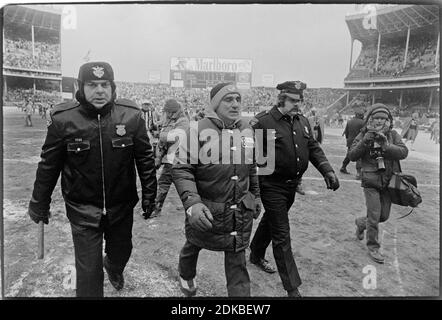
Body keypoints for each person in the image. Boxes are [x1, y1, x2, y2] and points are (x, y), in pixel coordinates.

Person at [27, 61, 158, 297]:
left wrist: (150, 195)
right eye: (92, 84)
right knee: (88, 274)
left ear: (112, 86)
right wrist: (39, 203)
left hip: (121, 206)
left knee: (121, 252)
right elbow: (48, 166)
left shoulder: (131, 116)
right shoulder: (63, 119)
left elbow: (145, 159)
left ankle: (114, 267)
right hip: (82, 209)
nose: (99, 90)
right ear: (80, 87)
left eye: (104, 84)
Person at [248, 81, 340, 297]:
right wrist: (252, 188)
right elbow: (248, 154)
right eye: (293, 100)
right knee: (282, 234)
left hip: (291, 185)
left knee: (271, 221)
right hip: (271, 185)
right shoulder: (263, 122)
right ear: (281, 99)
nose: (297, 104)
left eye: (299, 101)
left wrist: (327, 170)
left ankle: (256, 253)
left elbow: (313, 147)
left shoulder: (302, 121)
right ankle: (292, 288)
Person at [172, 82, 261, 297]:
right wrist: (193, 202)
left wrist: (256, 195)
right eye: (228, 99)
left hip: (239, 211)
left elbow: (251, 166)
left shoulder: (247, 130)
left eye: (238, 99)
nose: (235, 104)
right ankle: (186, 273)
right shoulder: (197, 130)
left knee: (237, 259)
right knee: (193, 244)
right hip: (207, 209)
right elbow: (182, 168)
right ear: (215, 104)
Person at [349, 104, 408, 264]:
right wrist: (366, 139)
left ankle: (361, 223)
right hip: (370, 181)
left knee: (383, 216)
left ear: (388, 120)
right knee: (374, 216)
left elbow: (404, 152)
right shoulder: (364, 134)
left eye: (383, 118)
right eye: (377, 118)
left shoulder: (393, 135)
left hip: (388, 181)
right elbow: (352, 155)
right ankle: (373, 247)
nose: (380, 121)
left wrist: (386, 146)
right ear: (370, 119)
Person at [148, 99, 189, 219]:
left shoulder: (183, 121)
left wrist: (160, 135)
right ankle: (156, 208)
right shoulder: (173, 120)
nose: (165, 114)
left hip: (178, 159)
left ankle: (157, 209)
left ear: (171, 112)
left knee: (168, 185)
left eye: (167, 112)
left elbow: (174, 136)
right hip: (171, 159)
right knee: (167, 184)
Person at [340, 107, 365, 179]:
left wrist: (348, 140)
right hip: (358, 141)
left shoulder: (349, 121)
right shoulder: (363, 122)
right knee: (359, 157)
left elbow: (346, 132)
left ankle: (343, 167)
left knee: (349, 154)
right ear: (360, 115)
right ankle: (358, 173)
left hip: (350, 141)